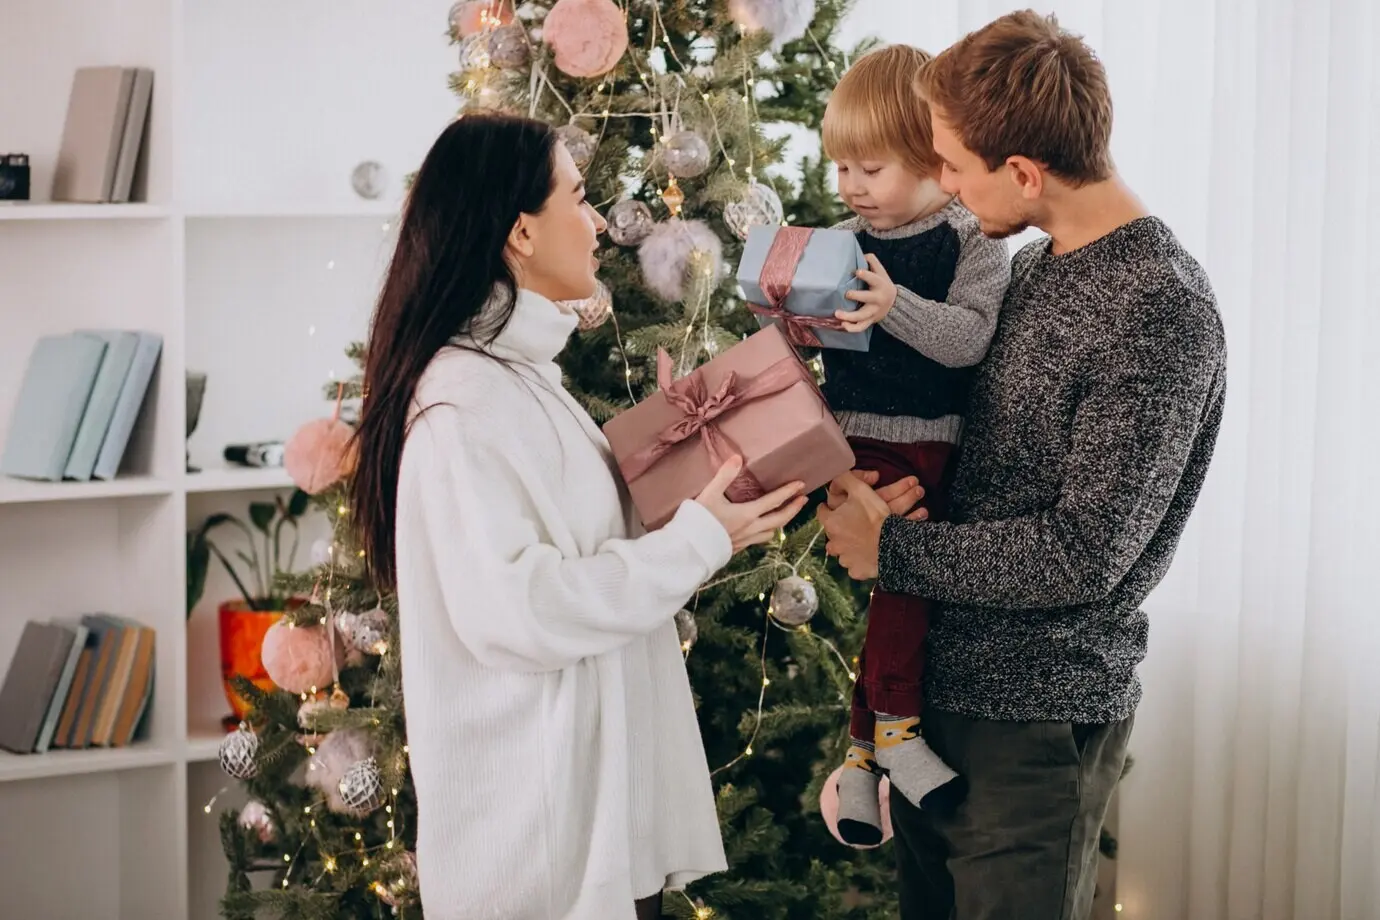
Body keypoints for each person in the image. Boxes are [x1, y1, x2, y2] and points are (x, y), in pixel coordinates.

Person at [817, 11, 1227, 920]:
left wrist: (895, 554)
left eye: (954, 166)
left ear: (1024, 173)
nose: (948, 190)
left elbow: (1083, 553)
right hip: (936, 696)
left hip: (1033, 718)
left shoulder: (1159, 308)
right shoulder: (1032, 265)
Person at [347, 112, 808, 920]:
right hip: (541, 859)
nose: (597, 222)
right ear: (521, 231)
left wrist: (700, 492)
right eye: (577, 196)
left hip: (593, 831)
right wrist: (698, 539)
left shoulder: (521, 378)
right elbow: (521, 610)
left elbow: (588, 547)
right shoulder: (464, 403)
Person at [812, 43, 1009, 847]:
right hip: (842, 443)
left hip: (925, 442)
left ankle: (869, 748)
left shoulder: (973, 239)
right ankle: (887, 735)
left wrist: (892, 303)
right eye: (841, 170)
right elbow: (814, 339)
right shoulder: (839, 237)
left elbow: (966, 341)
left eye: (871, 169)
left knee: (904, 586)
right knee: (895, 589)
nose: (853, 188)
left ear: (935, 160)